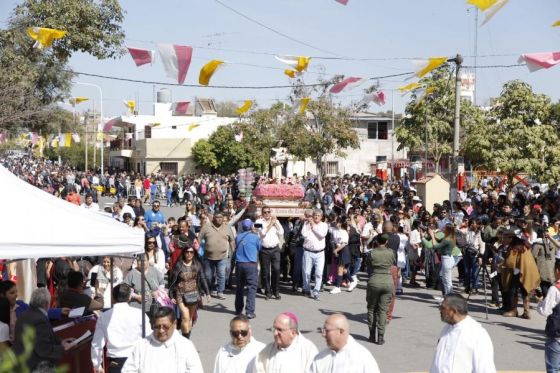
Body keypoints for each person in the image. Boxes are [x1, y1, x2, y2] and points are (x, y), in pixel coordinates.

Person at [122, 307, 203, 373]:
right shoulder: (142, 345)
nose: (161, 330)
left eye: (165, 327)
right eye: (157, 326)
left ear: (174, 324)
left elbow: (195, 369)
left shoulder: (185, 345)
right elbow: (128, 369)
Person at [91, 284, 151, 373]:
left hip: (116, 362)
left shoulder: (104, 316)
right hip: (136, 360)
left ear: (113, 298)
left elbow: (97, 344)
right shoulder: (139, 314)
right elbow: (149, 338)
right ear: (129, 297)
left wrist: (97, 365)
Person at [430, 293, 496, 373]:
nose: (439, 310)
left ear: (453, 311)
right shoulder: (446, 328)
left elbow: (485, 368)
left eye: (443, 308)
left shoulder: (477, 334)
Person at [13, 288, 75, 372]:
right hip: (36, 366)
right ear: (46, 304)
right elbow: (43, 349)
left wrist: (61, 342)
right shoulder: (39, 320)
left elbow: (42, 340)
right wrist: (63, 348)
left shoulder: (25, 315)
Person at [311, 313, 380, 373]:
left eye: (327, 330)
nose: (323, 334)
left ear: (341, 331)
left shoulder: (362, 357)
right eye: (323, 330)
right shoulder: (320, 358)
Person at [168, 241, 210, 338]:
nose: (189, 254)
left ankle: (186, 340)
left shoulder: (197, 264)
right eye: (187, 252)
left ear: (194, 253)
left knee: (190, 318)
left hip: (193, 294)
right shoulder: (179, 265)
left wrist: (207, 293)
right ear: (184, 253)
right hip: (180, 295)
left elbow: (203, 278)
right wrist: (171, 294)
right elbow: (172, 280)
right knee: (185, 317)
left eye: (191, 252)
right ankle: (185, 340)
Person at [251, 312, 318, 372]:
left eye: (279, 330)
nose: (275, 333)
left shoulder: (308, 351)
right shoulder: (266, 352)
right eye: (274, 329)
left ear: (293, 333)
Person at [366, 233, 395, 345]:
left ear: (377, 241)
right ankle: (381, 336)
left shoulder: (372, 253)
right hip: (388, 281)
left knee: (371, 309)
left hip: (374, 280)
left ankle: (372, 335)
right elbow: (392, 263)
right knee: (383, 310)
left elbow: (368, 265)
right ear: (386, 242)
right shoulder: (391, 253)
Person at [501, 236, 541, 318]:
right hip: (522, 272)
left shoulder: (515, 248)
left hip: (518, 272)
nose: (505, 239)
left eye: (507, 238)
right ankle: (526, 312)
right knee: (524, 291)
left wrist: (502, 264)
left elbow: (509, 262)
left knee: (513, 290)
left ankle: (514, 310)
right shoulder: (525, 247)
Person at [199, 211, 235, 300]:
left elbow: (232, 240)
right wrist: (197, 250)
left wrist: (233, 252)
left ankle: (220, 292)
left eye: (221, 217)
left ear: (223, 219)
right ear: (213, 218)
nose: (219, 219)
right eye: (217, 217)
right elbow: (199, 238)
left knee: (222, 275)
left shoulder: (227, 228)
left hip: (222, 257)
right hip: (208, 257)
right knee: (208, 275)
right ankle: (208, 290)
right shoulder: (206, 227)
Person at [235, 219, 261, 319]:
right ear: (251, 226)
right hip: (250, 264)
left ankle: (238, 310)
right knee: (252, 287)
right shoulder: (255, 237)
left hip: (239, 264)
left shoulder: (238, 237)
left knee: (239, 287)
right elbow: (259, 248)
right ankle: (249, 311)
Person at [256, 206, 284, 300]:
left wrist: (275, 223)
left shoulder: (275, 221)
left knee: (276, 269)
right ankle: (268, 292)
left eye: (268, 212)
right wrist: (270, 224)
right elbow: (262, 233)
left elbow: (281, 232)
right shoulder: (258, 222)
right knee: (265, 272)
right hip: (264, 250)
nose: (267, 214)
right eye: (265, 212)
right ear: (262, 213)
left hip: (275, 248)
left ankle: (276, 291)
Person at [537, 259, 560, 373]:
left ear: (557, 270)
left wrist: (540, 303)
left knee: (553, 368)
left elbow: (544, 311)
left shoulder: (555, 289)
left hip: (556, 334)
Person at [301, 209, 329, 300]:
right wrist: (309, 225)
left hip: (320, 253)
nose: (316, 217)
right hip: (308, 251)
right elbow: (304, 235)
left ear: (321, 217)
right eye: (315, 215)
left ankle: (316, 291)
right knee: (306, 272)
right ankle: (307, 288)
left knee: (319, 273)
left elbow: (321, 235)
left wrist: (313, 225)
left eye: (318, 215)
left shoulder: (324, 225)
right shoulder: (306, 224)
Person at [429, 224, 456, 295]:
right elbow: (439, 240)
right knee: (445, 279)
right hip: (448, 259)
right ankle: (447, 296)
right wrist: (434, 234)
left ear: (448, 230)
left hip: (447, 259)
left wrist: (432, 235)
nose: (443, 228)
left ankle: (449, 296)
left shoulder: (447, 239)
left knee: (447, 280)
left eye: (445, 228)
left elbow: (435, 246)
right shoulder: (450, 237)